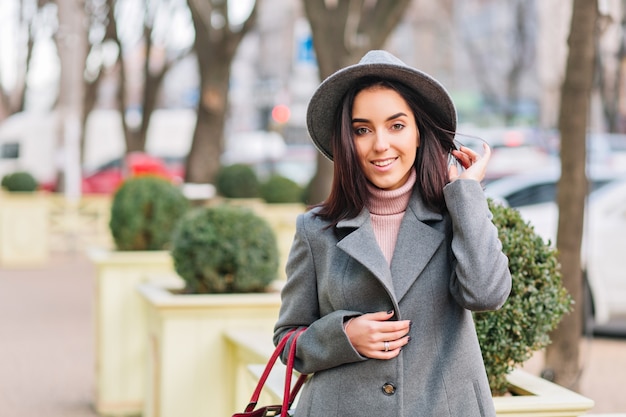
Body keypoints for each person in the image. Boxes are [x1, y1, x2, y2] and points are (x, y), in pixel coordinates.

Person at [273, 50, 512, 417]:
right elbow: (287, 340)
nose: (380, 144)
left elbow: (487, 294)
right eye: (362, 129)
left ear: (419, 133)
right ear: (346, 142)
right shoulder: (316, 230)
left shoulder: (457, 215)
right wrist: (343, 336)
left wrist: (467, 194)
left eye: (396, 125)